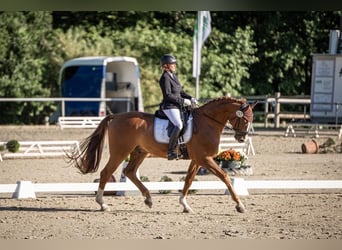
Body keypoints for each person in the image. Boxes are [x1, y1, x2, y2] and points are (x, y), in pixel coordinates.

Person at [158, 54, 198, 160]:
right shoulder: (165, 78)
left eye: (175, 64)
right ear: (166, 66)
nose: (175, 65)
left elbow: (180, 91)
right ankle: (171, 151)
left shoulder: (173, 76)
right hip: (169, 106)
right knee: (179, 124)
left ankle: (183, 145)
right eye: (173, 64)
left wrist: (191, 98)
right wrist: (183, 100)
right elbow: (168, 95)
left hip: (177, 106)